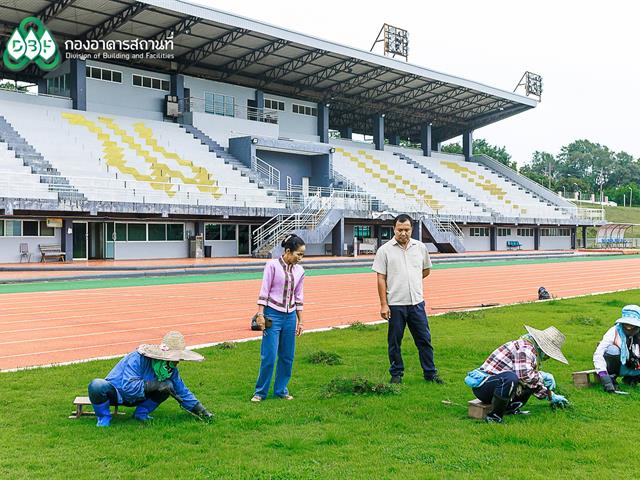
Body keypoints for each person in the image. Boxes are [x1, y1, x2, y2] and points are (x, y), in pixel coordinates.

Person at [372, 214, 443, 384]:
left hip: (417, 303)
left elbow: (426, 270)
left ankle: (430, 373)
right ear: (394, 229)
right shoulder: (385, 250)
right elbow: (380, 278)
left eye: (406, 229)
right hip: (396, 304)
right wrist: (384, 304)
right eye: (400, 229)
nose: (403, 233)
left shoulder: (420, 248)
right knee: (395, 342)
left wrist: (412, 281)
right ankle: (396, 374)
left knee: (424, 340)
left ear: (412, 229)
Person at [87, 331, 213, 427]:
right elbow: (128, 387)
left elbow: (182, 391)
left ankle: (141, 414)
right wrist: (156, 385)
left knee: (168, 385)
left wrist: (202, 411)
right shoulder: (137, 358)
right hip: (117, 394)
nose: (176, 363)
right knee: (96, 385)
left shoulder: (170, 369)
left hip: (139, 398)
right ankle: (103, 418)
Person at [466, 325, 570, 423]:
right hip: (484, 387)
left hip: (496, 387)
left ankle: (510, 409)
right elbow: (525, 375)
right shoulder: (526, 348)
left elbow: (530, 381)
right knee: (510, 378)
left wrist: (550, 395)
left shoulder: (531, 349)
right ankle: (494, 417)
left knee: (529, 381)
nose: (548, 358)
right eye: (548, 354)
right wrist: (542, 376)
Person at [251, 234, 306, 402]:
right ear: (288, 251)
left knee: (287, 356)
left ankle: (281, 390)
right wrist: (260, 314)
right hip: (272, 314)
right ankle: (260, 392)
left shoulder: (300, 271)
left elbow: (299, 296)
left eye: (303, 255)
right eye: (299, 254)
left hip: (290, 317)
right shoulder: (272, 266)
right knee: (269, 355)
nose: (301, 258)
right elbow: (264, 291)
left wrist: (300, 321)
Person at [593, 304, 640, 392]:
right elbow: (598, 353)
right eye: (626, 324)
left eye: (632, 325)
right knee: (612, 350)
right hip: (619, 367)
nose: (629, 328)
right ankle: (612, 379)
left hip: (636, 368)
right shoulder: (614, 331)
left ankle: (632, 379)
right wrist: (604, 376)